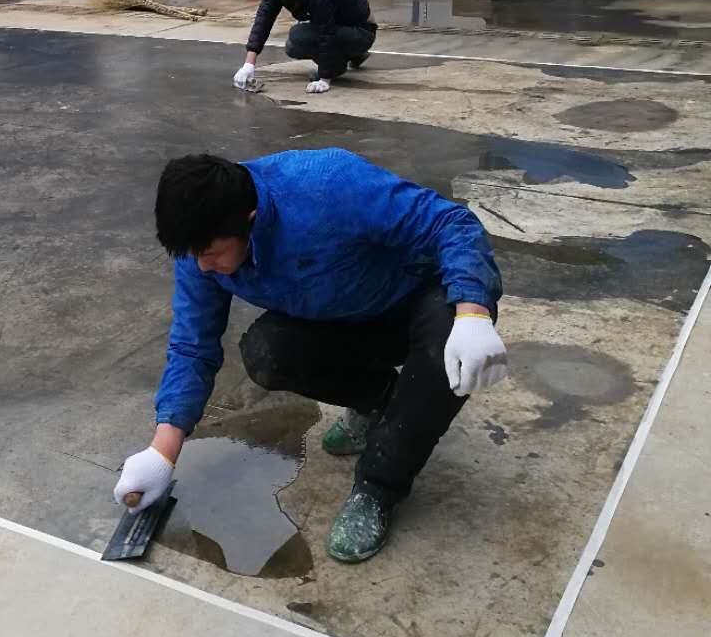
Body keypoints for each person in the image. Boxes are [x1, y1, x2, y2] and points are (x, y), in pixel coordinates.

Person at [114, 149, 505, 563]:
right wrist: (162, 453)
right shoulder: (201, 246)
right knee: (268, 351)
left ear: (249, 221)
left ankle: (378, 488)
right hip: (343, 313)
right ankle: (381, 403)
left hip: (419, 302)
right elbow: (192, 344)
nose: (203, 267)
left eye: (211, 255)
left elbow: (451, 223)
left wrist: (473, 312)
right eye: (194, 256)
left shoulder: (328, 184)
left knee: (446, 350)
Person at [233, 0, 376, 96]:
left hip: (362, 31)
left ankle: (338, 64)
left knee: (298, 36)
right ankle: (353, 54)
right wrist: (249, 65)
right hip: (343, 28)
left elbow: (326, 31)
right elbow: (263, 20)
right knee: (291, 47)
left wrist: (324, 78)